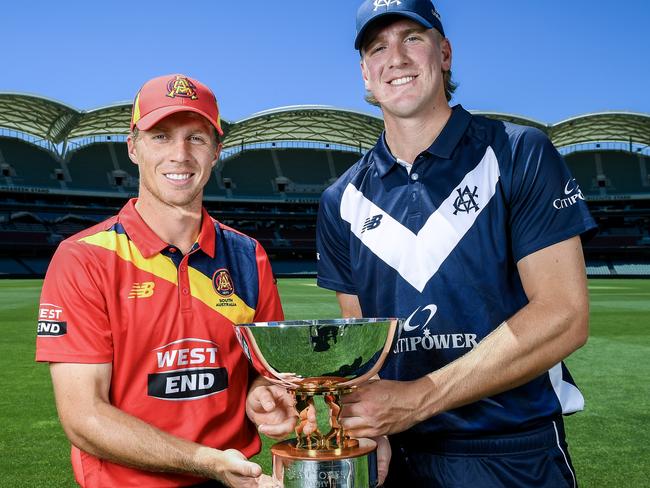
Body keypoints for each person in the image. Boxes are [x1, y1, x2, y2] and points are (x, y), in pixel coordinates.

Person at [313, 1, 597, 486]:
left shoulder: (518, 153)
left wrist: (419, 396)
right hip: (400, 456)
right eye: (377, 47)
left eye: (413, 39)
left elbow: (564, 316)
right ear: (365, 72)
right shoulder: (341, 199)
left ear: (444, 53)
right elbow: (362, 347)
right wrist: (369, 423)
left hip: (514, 453)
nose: (395, 57)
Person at [36, 74, 283, 488]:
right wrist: (205, 461)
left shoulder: (249, 255)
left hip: (237, 479)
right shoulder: (84, 258)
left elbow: (267, 372)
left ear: (217, 150)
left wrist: (262, 396)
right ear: (133, 147)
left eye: (197, 138)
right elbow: (84, 417)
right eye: (161, 136)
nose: (180, 155)